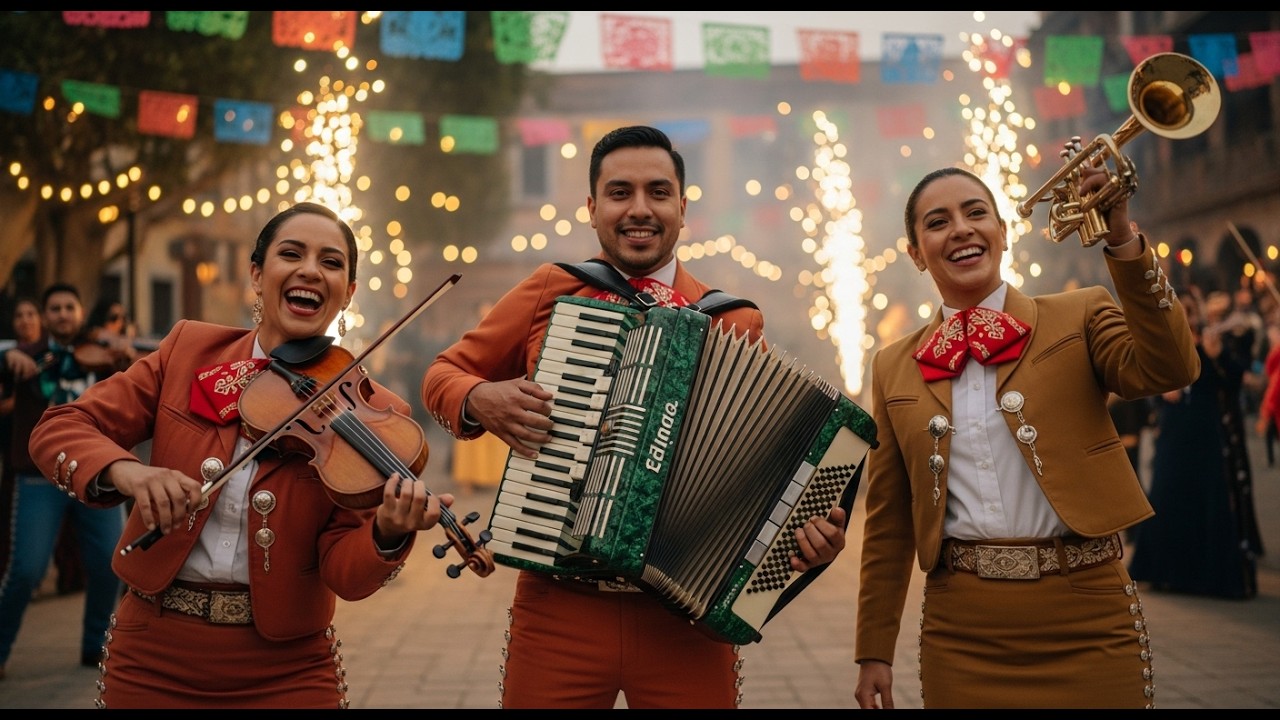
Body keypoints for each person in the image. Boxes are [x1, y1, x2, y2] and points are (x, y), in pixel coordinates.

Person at [421, 125, 848, 709]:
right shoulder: (552, 288)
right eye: (620, 193)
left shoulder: (733, 321)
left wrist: (807, 540)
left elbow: (770, 473)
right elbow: (441, 375)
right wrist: (478, 398)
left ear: (682, 207)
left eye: (658, 192)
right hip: (558, 606)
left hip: (686, 618)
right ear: (593, 209)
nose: (639, 209)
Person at [25, 202, 456, 708]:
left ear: (349, 293)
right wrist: (130, 474)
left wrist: (387, 532)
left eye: (332, 262)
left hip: (288, 668)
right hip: (154, 655)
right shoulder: (188, 352)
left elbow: (344, 571)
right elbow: (60, 427)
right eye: (291, 253)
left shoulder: (377, 415)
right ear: (257, 274)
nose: (310, 270)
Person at [853, 166, 1199, 709]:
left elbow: (1170, 368)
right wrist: (874, 649)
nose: (961, 229)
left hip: (1088, 615)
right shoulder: (893, 364)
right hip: (960, 631)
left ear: (1003, 231)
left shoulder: (1079, 313)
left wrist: (1122, 241)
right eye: (938, 222)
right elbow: (889, 519)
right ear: (917, 253)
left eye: (976, 213)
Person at [0, 284, 132, 682]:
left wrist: (125, 357)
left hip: (95, 476)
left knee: (111, 564)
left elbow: (139, 387)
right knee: (26, 569)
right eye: (53, 308)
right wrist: (9, 356)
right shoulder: (29, 357)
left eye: (69, 307)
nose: (62, 314)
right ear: (44, 315)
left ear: (79, 312)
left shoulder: (103, 356)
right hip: (38, 477)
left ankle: (95, 644)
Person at [1128, 289, 1264, 599]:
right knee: (1167, 492)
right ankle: (1166, 572)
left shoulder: (1213, 341)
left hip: (1204, 430)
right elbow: (1142, 378)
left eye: (1190, 311)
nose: (1186, 317)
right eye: (1181, 311)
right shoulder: (1165, 343)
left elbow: (1232, 380)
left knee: (1207, 496)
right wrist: (1161, 391)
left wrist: (1219, 358)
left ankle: (1204, 576)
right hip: (1175, 431)